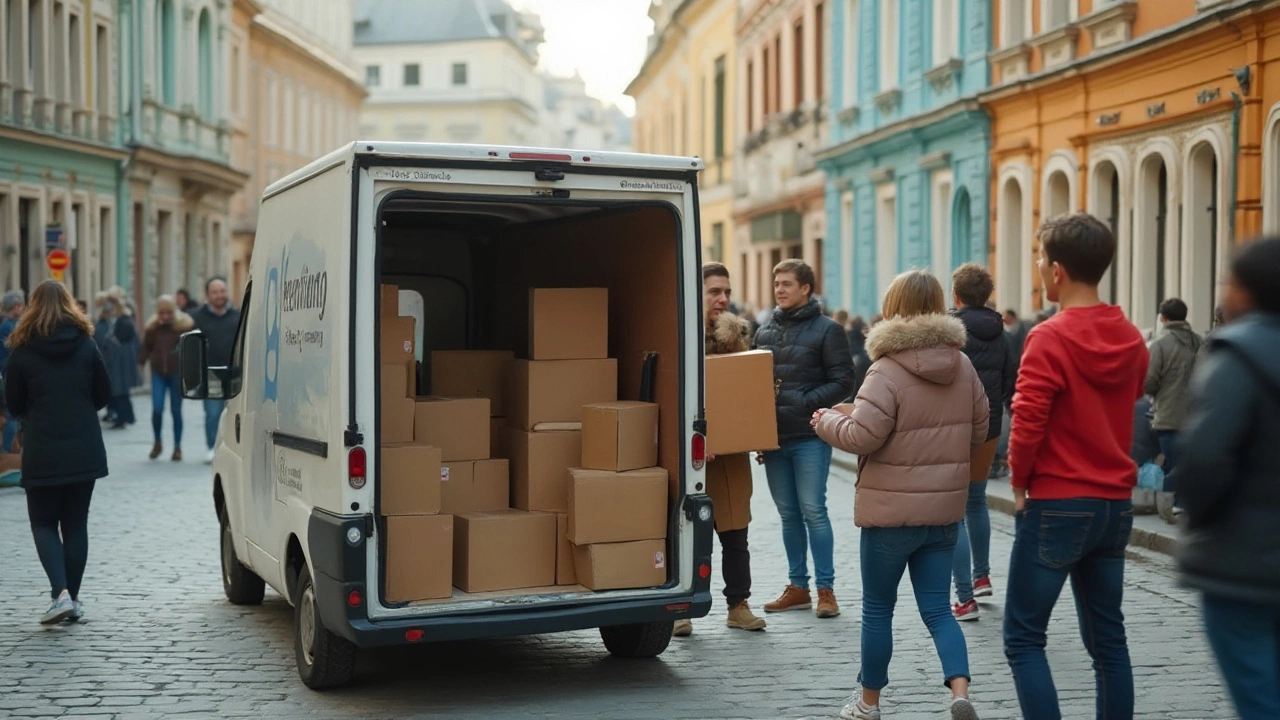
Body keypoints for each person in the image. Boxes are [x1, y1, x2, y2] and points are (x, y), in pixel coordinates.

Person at [813, 269, 987, 720]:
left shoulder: (885, 369)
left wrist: (826, 422)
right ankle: (959, 692)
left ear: (893, 308)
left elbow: (863, 436)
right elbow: (982, 428)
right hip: (943, 513)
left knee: (877, 610)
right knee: (938, 608)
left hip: (890, 515)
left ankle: (868, 704)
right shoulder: (962, 364)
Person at [1003, 213, 1148, 720]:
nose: (1039, 267)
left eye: (1040, 258)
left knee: (1023, 639)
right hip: (1114, 504)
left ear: (1057, 270)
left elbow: (1027, 420)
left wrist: (1020, 482)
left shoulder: (1049, 337)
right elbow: (1128, 402)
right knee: (1109, 643)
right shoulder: (1131, 337)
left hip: (1058, 502)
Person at [1173, 238, 1280, 720]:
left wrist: (1200, 517)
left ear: (1246, 291)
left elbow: (1204, 458)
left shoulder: (1235, 357)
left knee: (1259, 698)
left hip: (1245, 567)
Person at [3, 280, 111, 624]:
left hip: (43, 447)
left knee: (44, 523)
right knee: (76, 524)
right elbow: (104, 392)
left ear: (31, 306)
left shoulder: (21, 348)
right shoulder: (86, 343)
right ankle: (72, 599)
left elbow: (13, 400)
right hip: (84, 447)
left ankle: (60, 594)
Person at [753, 259, 853, 619]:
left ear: (806, 288)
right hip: (775, 440)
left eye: (787, 284)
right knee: (788, 515)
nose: (779, 289)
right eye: (777, 283)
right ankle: (798, 587)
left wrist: (804, 402)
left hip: (810, 436)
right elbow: (751, 386)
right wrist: (757, 432)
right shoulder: (763, 332)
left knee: (814, 511)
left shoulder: (828, 330)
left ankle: (826, 591)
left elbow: (844, 380)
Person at [673, 262, 767, 638]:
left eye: (726, 291)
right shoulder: (679, 332)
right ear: (698, 292)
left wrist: (757, 435)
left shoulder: (738, 337)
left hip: (730, 459)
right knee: (687, 535)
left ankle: (738, 606)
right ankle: (680, 609)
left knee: (735, 534)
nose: (723, 298)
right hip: (690, 453)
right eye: (715, 291)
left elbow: (747, 395)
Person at [948, 264, 1015, 621]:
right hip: (988, 425)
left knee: (954, 511)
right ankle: (982, 576)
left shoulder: (950, 330)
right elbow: (1009, 380)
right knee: (977, 501)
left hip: (954, 427)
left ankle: (964, 598)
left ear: (956, 296)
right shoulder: (1000, 332)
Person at [1144, 298, 1202, 509]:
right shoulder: (1200, 342)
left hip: (1168, 415)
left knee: (1171, 463)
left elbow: (1149, 381)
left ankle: (1172, 506)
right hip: (1196, 416)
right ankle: (1184, 504)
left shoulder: (1160, 345)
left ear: (1163, 318)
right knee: (1187, 462)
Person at [191, 277, 241, 464]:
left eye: (222, 291)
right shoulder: (196, 317)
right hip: (210, 373)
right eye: (215, 292)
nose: (220, 295)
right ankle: (212, 447)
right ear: (207, 295)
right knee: (213, 413)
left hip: (235, 373)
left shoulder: (237, 316)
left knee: (235, 413)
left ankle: (232, 448)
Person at [140, 295, 193, 462]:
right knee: (157, 408)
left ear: (174, 312)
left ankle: (177, 447)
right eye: (161, 313)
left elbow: (190, 349)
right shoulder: (152, 329)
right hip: (158, 374)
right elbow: (146, 348)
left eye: (169, 312)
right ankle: (157, 442)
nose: (165, 316)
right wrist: (141, 362)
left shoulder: (182, 327)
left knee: (176, 411)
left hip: (176, 373)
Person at [102, 289, 139, 429]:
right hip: (118, 360)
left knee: (120, 390)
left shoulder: (124, 320)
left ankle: (124, 417)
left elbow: (123, 338)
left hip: (121, 361)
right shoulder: (121, 320)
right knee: (120, 390)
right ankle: (124, 416)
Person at [0, 289, 26, 453]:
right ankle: (9, 452)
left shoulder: (6, 325)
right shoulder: (10, 327)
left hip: (8, 371)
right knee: (11, 415)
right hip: (10, 372)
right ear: (16, 307)